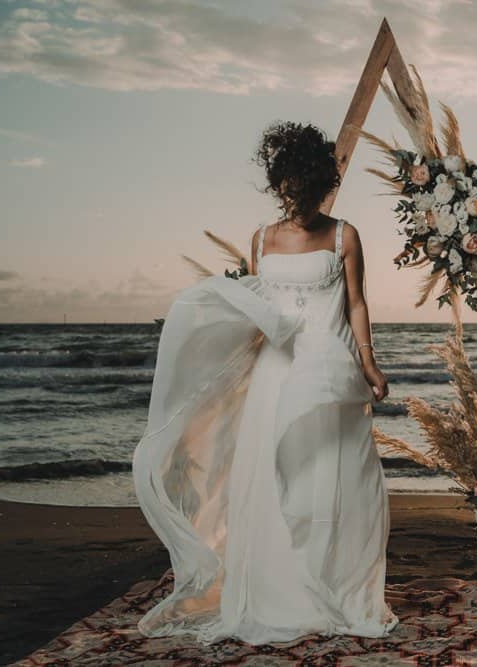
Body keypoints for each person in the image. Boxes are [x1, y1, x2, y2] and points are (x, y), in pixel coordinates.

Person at [132, 120, 398, 645]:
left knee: (334, 477)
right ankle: (277, 592)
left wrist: (369, 363)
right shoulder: (262, 239)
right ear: (279, 184)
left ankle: (333, 587)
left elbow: (356, 303)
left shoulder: (344, 235)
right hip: (275, 373)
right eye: (288, 188)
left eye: (306, 188)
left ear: (321, 184)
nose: (296, 199)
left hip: (329, 372)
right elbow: (258, 308)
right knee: (273, 482)